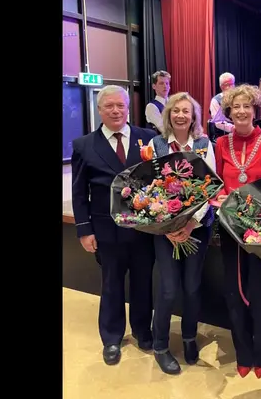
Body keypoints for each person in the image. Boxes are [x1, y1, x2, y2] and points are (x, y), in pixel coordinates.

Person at [71, 85, 158, 365]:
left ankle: (144, 332)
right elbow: (78, 191)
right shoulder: (84, 145)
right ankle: (111, 338)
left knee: (143, 283)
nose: (116, 110)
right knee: (111, 285)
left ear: (128, 107)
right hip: (107, 230)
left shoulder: (148, 138)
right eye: (109, 106)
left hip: (143, 229)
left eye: (120, 105)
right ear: (99, 110)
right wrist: (84, 229)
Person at [213, 84, 261, 379]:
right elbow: (218, 184)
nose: (241, 111)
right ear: (228, 112)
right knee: (234, 290)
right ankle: (243, 352)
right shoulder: (220, 144)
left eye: (247, 106)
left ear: (256, 111)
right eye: (235, 107)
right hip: (231, 228)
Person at [146, 92, 217, 375]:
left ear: (193, 116)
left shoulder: (203, 144)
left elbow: (210, 186)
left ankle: (189, 338)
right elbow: (149, 188)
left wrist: (188, 224)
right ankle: (160, 345)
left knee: (191, 287)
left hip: (197, 227)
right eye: (175, 110)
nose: (180, 115)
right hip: (164, 230)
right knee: (167, 289)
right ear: (168, 115)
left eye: (186, 111)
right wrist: (169, 226)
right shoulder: (156, 144)